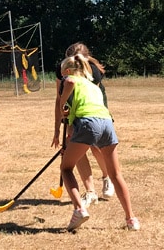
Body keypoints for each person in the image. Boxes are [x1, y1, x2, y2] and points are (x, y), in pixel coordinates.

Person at [59, 54, 140, 231]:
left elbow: (70, 83)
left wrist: (61, 104)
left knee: (66, 168)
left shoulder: (71, 79)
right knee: (116, 174)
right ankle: (131, 219)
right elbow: (76, 120)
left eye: (62, 74)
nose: (62, 77)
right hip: (106, 123)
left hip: (89, 123)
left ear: (67, 71)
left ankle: (79, 209)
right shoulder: (93, 87)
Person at [51, 42, 115, 208]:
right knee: (77, 148)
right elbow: (60, 97)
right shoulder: (62, 69)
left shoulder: (94, 71)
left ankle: (107, 178)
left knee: (96, 147)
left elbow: (91, 96)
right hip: (72, 106)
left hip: (92, 108)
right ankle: (90, 191)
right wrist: (58, 128)